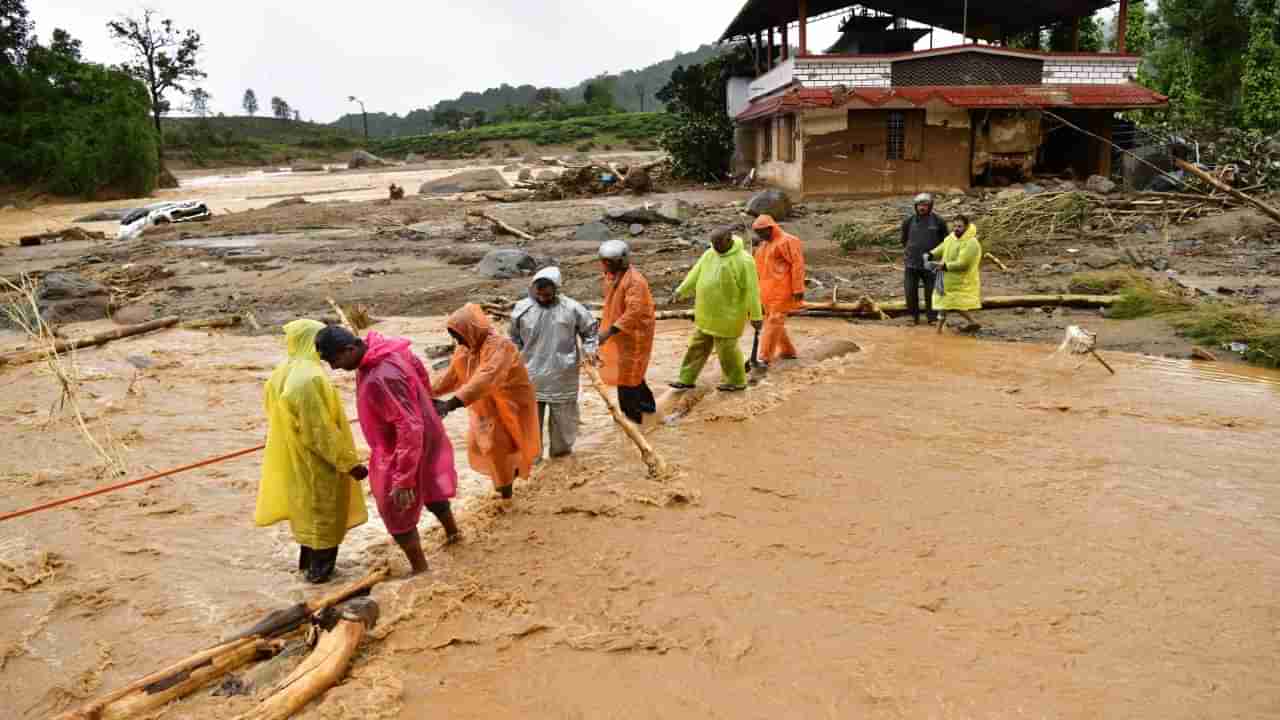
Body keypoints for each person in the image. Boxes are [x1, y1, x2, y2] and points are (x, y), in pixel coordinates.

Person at [315, 326, 460, 576]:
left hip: (402, 445)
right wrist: (426, 399)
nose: (334, 368)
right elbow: (418, 368)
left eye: (334, 360)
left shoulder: (380, 376)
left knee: (394, 507)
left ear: (350, 349)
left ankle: (421, 571)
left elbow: (408, 426)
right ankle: (454, 534)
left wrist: (403, 478)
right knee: (430, 487)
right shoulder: (386, 347)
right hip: (427, 430)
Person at [255, 319, 369, 584]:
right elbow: (319, 431)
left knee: (309, 521)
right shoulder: (309, 378)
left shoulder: (282, 372)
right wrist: (350, 463)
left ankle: (306, 579)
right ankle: (319, 589)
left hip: (293, 458)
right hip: (318, 463)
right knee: (324, 523)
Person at [433, 304, 541, 500]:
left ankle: (507, 501)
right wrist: (422, 392)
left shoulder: (501, 346)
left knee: (500, 449)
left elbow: (487, 377)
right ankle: (507, 489)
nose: (456, 340)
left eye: (458, 335)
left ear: (471, 329)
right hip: (485, 407)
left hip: (510, 405)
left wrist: (450, 404)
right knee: (489, 449)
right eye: (454, 336)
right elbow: (450, 378)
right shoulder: (465, 349)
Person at [509, 267, 598, 458]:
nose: (543, 298)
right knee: (529, 429)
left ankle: (560, 463)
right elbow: (513, 340)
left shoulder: (572, 308)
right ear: (533, 290)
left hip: (562, 375)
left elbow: (590, 332)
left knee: (563, 429)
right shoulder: (521, 309)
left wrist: (589, 351)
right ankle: (534, 466)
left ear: (556, 289)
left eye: (547, 295)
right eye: (539, 294)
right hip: (530, 376)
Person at [670, 226, 763, 392]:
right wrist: (680, 291)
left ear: (729, 239)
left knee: (727, 350)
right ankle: (686, 378)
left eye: (718, 243)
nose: (715, 246)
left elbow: (752, 290)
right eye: (713, 243)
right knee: (696, 347)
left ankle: (736, 381)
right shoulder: (709, 254)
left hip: (728, 315)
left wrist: (756, 315)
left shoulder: (744, 260)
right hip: (706, 312)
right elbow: (695, 273)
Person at [597, 240, 657, 424]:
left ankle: (632, 419)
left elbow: (633, 312)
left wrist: (608, 332)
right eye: (604, 261)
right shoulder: (611, 276)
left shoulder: (635, 282)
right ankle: (647, 405)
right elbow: (612, 303)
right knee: (633, 370)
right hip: (620, 332)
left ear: (621, 261)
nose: (606, 266)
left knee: (627, 376)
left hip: (635, 334)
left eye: (610, 262)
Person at [751, 214, 806, 367]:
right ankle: (788, 351)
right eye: (758, 233)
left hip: (783, 290)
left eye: (762, 232)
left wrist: (798, 288)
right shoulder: (763, 246)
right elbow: (757, 269)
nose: (760, 236)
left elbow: (798, 265)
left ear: (771, 228)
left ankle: (764, 356)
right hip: (766, 292)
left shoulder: (788, 241)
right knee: (774, 321)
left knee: (774, 321)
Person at [928, 215, 984, 334]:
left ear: (966, 226)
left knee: (952, 303)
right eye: (954, 226)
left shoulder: (971, 243)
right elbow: (943, 247)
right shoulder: (951, 238)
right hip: (946, 279)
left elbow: (963, 264)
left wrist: (944, 266)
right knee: (945, 303)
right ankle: (939, 331)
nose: (956, 228)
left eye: (959, 226)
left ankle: (940, 331)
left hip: (961, 280)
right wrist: (931, 254)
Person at [900, 192, 948, 325]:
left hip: (931, 264)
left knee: (931, 292)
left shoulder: (939, 221)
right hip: (911, 264)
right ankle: (912, 317)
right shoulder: (908, 221)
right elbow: (904, 241)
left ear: (930, 206)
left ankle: (932, 318)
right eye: (919, 205)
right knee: (910, 291)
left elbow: (946, 243)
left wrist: (942, 260)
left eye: (925, 205)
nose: (922, 207)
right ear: (915, 206)